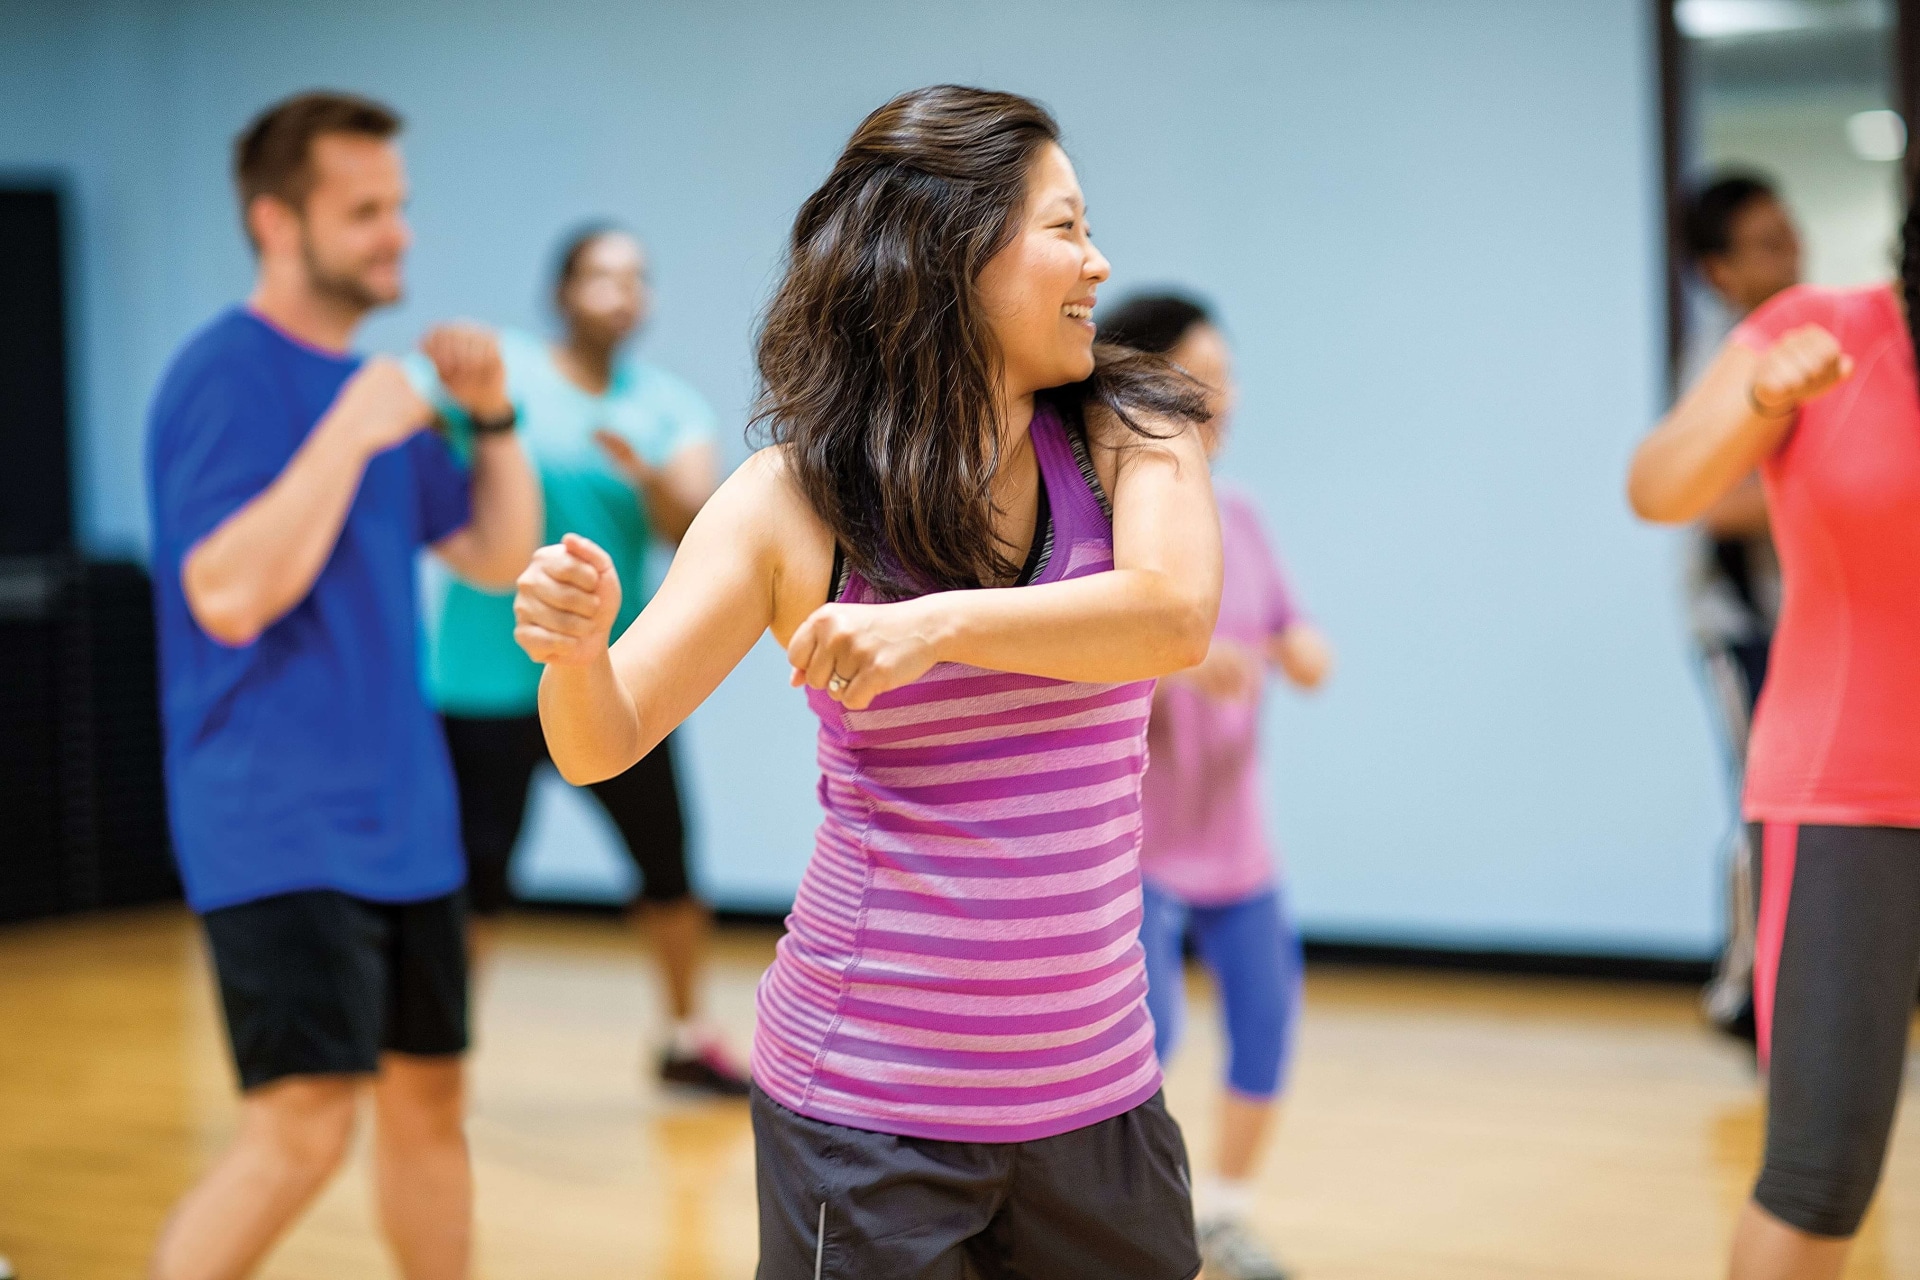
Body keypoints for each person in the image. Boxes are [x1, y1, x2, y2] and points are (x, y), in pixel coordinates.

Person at [511, 85, 1222, 1279]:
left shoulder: (1131, 431)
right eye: (1063, 226)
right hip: (867, 1110)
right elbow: (602, 737)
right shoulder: (793, 500)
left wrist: (936, 626)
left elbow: (1170, 615)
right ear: (955, 258)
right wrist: (577, 657)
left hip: (1099, 1096)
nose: (1097, 261)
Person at [144, 91, 540, 1280]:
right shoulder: (222, 376)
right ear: (277, 221)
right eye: (364, 211)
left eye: (399, 208)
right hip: (274, 815)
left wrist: (495, 421)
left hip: (403, 815)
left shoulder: (378, 394)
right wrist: (347, 432)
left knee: (429, 1101)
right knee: (303, 1125)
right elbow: (226, 594)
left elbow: (492, 556)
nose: (397, 235)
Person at [1628, 164, 1920, 1280]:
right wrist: (1760, 404)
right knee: (1819, 1178)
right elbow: (1660, 487)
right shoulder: (1819, 331)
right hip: (1849, 791)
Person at [420, 225, 741, 1093]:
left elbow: (699, 532)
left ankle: (684, 1037)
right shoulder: (502, 376)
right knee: (476, 880)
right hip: (484, 683)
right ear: (562, 291)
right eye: (602, 276)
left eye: (638, 277)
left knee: (667, 866)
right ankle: (444, 1051)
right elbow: (406, 426)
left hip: (614, 681)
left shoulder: (666, 408)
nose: (623, 293)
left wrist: (645, 473)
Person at [1098, 294, 1333, 1280]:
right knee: (1145, 1032)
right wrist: (1186, 661)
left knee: (1269, 1015)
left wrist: (1293, 648)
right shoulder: (1107, 517)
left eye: (1229, 377)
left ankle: (1227, 1210)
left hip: (1238, 834)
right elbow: (1097, 650)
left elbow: (1294, 632)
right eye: (1204, 377)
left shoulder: (1241, 514)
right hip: (1142, 838)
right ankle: (1130, 1214)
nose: (1224, 397)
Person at [1674, 173, 1801, 1044]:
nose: (1790, 255)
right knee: (1764, 803)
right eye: (1764, 244)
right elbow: (1710, 499)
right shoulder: (1730, 355)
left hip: (1806, 621)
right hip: (1739, 623)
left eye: (1788, 236)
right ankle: (1746, 991)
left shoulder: (1809, 339)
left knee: (1802, 807)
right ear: (1719, 269)